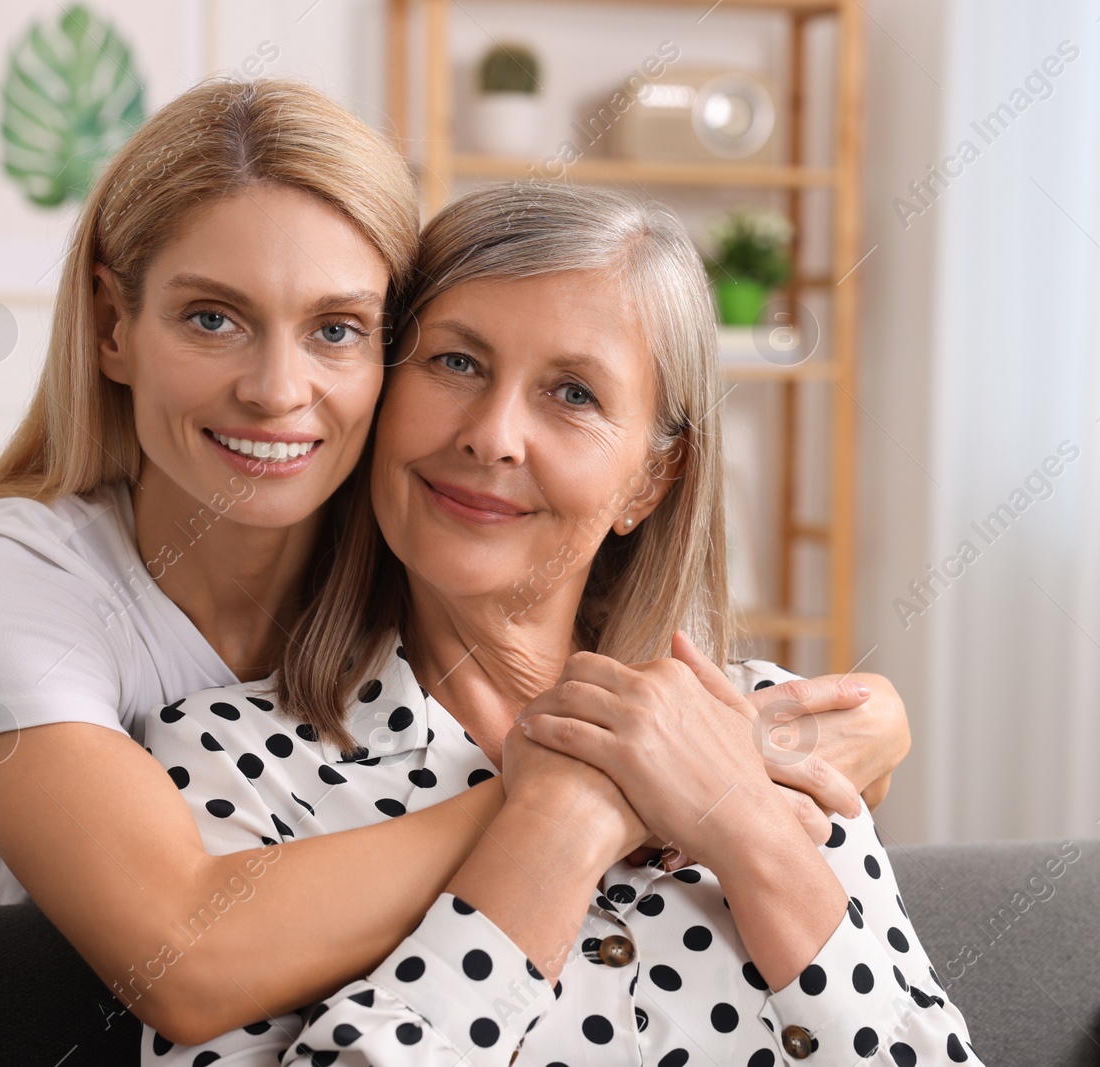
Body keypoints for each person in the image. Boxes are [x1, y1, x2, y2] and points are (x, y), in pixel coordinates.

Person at [0, 78, 912, 1044]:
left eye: (337, 328)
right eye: (213, 317)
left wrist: (841, 725)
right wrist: (596, 789)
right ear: (114, 324)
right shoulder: (15, 581)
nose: (276, 390)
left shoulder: (404, 542)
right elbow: (186, 956)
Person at [140, 183, 980, 1065]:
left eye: (573, 393)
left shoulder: (763, 726)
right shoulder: (226, 760)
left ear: (652, 480)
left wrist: (748, 824)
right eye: (456, 363)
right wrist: (568, 816)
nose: (493, 436)